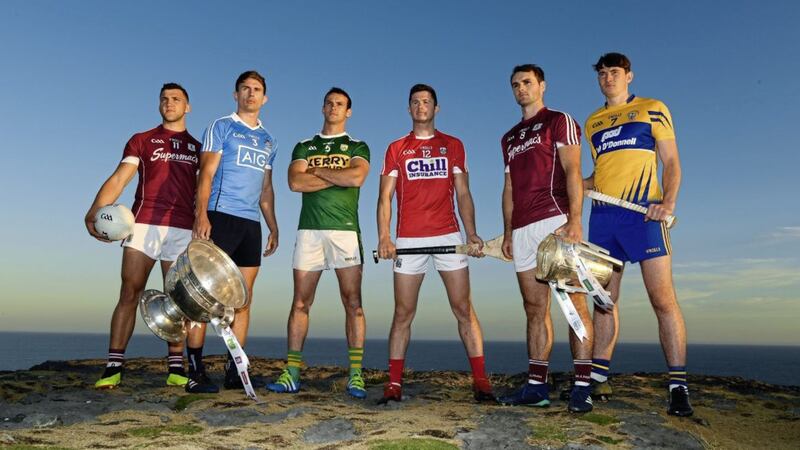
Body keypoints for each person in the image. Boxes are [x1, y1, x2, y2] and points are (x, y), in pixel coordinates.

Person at [582, 52, 692, 417]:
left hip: (644, 214)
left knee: (662, 300)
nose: (607, 78)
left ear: (629, 76)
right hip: (603, 219)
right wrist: (573, 186)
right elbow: (601, 174)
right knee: (603, 301)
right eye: (602, 73)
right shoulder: (592, 122)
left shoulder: (652, 108)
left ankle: (678, 386)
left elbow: (671, 161)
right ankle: (598, 375)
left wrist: (669, 203)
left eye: (614, 72)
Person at [85, 83, 208, 391]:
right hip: (143, 225)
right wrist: (95, 210)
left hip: (182, 228)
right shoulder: (142, 140)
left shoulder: (198, 147)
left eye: (177, 99)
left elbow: (205, 191)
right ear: (158, 105)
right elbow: (120, 178)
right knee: (130, 291)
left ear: (188, 107)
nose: (170, 103)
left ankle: (177, 369)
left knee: (180, 301)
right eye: (165, 99)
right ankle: (113, 367)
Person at [376, 84, 494, 404]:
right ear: (409, 109)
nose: (421, 106)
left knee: (463, 308)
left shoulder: (452, 145)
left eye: (426, 101)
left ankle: (481, 382)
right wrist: (385, 237)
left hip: (447, 234)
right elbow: (385, 197)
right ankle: (394, 385)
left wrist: (471, 233)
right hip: (410, 237)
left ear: (436, 108)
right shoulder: (397, 148)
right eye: (415, 101)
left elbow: (463, 193)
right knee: (403, 313)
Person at [494, 65, 594, 412]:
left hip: (555, 222)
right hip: (521, 229)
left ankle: (583, 386)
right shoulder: (509, 137)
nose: (521, 89)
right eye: (515, 85)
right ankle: (537, 385)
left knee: (574, 305)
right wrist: (508, 232)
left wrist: (576, 220)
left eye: (527, 82)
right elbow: (508, 188)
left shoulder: (559, 120)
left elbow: (573, 171)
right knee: (534, 309)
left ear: (542, 86)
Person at [266, 88, 370, 398]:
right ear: (323, 107)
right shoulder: (304, 145)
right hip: (309, 231)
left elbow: (357, 178)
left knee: (353, 304)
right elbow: (295, 182)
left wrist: (318, 171)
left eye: (340, 104)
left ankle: (355, 375)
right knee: (300, 302)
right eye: (329, 103)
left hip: (345, 231)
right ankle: (293, 373)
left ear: (348, 111)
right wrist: (338, 173)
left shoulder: (357, 145)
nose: (334, 107)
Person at [191, 70, 279, 390]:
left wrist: (273, 226)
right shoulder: (221, 126)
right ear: (236, 94)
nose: (250, 94)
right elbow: (206, 174)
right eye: (245, 89)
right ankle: (195, 370)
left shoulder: (269, 139)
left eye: (256, 90)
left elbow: (266, 189)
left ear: (264, 98)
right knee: (204, 296)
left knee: (242, 301)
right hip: (220, 216)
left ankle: (233, 369)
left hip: (250, 225)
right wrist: (201, 215)